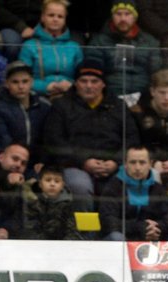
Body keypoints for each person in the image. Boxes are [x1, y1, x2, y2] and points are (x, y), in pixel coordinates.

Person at [41, 58, 139, 212]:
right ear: (75, 83)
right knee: (81, 186)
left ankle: (115, 230)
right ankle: (86, 234)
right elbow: (55, 142)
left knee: (128, 182)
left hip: (115, 165)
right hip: (74, 165)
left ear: (103, 84)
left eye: (94, 81)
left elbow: (132, 139)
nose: (89, 86)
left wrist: (115, 161)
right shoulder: (62, 106)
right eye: (83, 81)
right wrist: (83, 161)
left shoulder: (118, 106)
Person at [98, 144, 168, 241]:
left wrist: (156, 228)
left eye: (142, 162)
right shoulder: (113, 187)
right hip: (124, 238)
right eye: (133, 162)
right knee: (116, 237)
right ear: (125, 164)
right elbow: (108, 222)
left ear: (150, 164)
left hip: (153, 237)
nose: (137, 167)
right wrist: (139, 227)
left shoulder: (158, 189)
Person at [84, 2, 162, 102]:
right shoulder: (99, 42)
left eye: (127, 14)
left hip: (143, 100)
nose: (123, 19)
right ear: (112, 16)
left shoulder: (150, 42)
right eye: (118, 14)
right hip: (108, 98)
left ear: (135, 17)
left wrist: (145, 100)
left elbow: (156, 74)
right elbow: (93, 74)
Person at [19, 0, 84, 101]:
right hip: (38, 97)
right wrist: (46, 87)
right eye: (51, 15)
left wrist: (71, 86)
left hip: (70, 97)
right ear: (42, 17)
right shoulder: (29, 46)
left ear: (65, 20)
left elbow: (83, 77)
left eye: (60, 16)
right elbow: (21, 79)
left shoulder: (74, 47)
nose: (55, 19)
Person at [0, 61, 53, 163]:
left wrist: (43, 161)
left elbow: (48, 139)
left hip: (38, 162)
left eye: (25, 81)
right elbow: (4, 142)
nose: (21, 86)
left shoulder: (44, 107)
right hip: (12, 162)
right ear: (7, 83)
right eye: (15, 82)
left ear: (31, 82)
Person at [20, 164, 81, 239]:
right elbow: (30, 230)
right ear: (40, 184)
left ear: (62, 185)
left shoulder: (68, 204)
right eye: (48, 180)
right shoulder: (33, 203)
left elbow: (72, 231)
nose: (52, 184)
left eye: (57, 181)